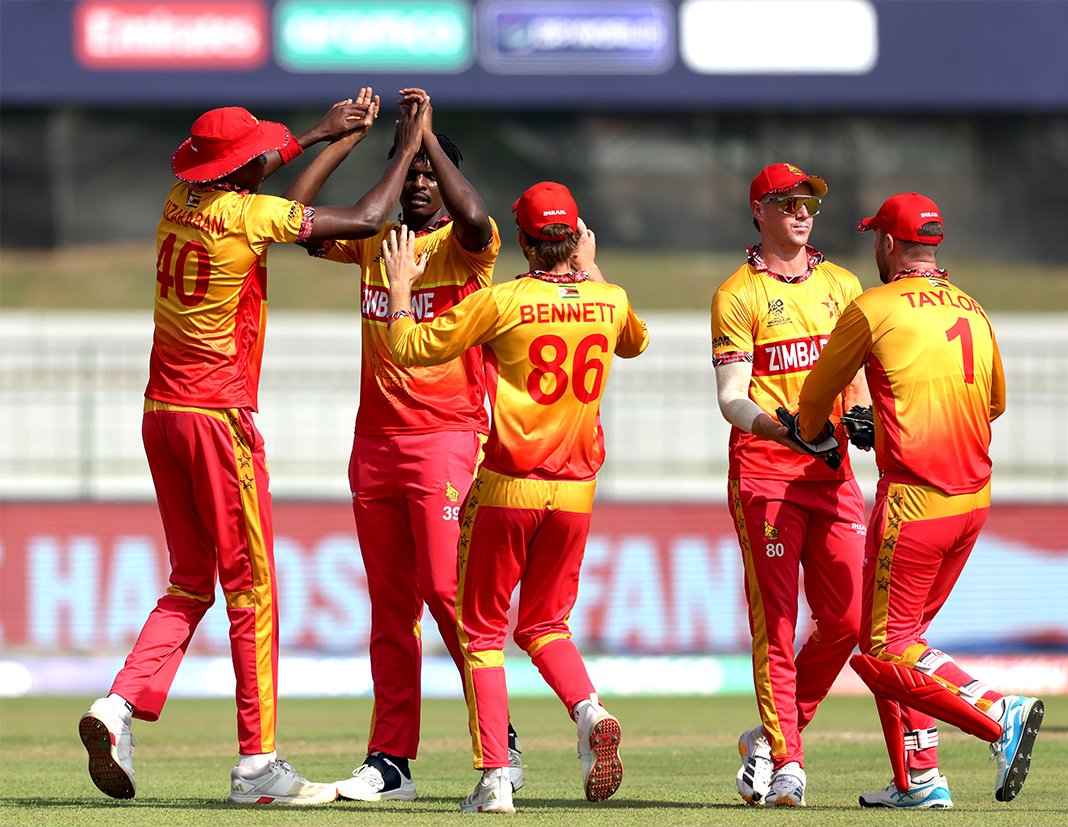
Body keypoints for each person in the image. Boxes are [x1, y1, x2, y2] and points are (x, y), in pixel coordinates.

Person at [77, 89, 431, 805]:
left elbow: (252, 172)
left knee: (188, 580)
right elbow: (365, 219)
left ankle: (118, 706)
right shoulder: (248, 216)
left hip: (162, 412)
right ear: (240, 173)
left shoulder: (178, 200)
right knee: (253, 589)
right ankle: (257, 764)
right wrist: (405, 146)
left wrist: (327, 136)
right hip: (218, 419)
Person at [384, 181, 649, 814]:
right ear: (575, 238)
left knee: (479, 633)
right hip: (578, 492)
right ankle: (589, 712)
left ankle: (495, 777)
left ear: (525, 242)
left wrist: (399, 288)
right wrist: (592, 269)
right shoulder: (609, 300)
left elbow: (409, 348)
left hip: (508, 486)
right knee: (545, 623)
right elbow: (635, 342)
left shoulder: (502, 301)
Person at [301, 88, 523, 802]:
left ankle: (500, 737)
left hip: (449, 439)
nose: (422, 186)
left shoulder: (465, 251)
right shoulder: (375, 239)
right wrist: (371, 145)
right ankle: (390, 760)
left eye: (431, 175)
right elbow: (301, 221)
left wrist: (423, 139)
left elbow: (477, 215)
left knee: (444, 589)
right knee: (390, 607)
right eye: (413, 176)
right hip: (375, 444)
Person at [796, 192, 1043, 809]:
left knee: (881, 651)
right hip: (973, 499)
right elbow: (991, 405)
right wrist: (886, 423)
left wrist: (825, 432)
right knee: (908, 640)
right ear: (933, 246)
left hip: (915, 502)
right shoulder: (973, 308)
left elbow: (810, 402)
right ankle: (920, 779)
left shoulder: (873, 306)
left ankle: (998, 713)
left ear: (885, 243)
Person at [710, 163, 871, 807]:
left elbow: (856, 373)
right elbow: (729, 397)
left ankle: (775, 733)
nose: (802, 211)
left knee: (850, 620)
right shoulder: (737, 293)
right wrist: (781, 431)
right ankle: (788, 762)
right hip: (767, 473)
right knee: (776, 622)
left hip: (832, 475)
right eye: (787, 202)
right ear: (759, 211)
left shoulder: (844, 284)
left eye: (809, 202)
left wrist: (859, 413)